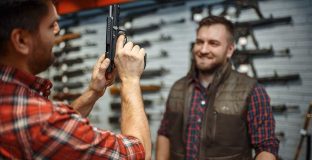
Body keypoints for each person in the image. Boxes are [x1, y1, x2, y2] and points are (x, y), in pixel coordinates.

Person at [0, 0, 151, 159]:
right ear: (21, 40)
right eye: (51, 25)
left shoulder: (18, 102)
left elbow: (56, 132)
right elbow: (140, 155)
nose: (58, 30)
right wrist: (130, 79)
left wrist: (94, 92)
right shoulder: (39, 119)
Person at [156, 16, 279, 160]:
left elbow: (266, 146)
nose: (203, 49)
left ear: (229, 50)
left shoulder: (252, 91)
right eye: (199, 42)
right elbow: (164, 133)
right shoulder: (177, 88)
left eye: (213, 43)